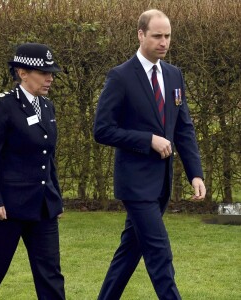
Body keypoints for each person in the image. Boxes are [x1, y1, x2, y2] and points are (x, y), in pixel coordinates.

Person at [93, 9, 206, 300]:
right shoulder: (120, 77)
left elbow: (184, 128)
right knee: (159, 252)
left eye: (167, 36)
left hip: (161, 185)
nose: (164, 42)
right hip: (134, 185)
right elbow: (102, 130)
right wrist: (148, 140)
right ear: (141, 35)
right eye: (157, 36)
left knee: (129, 253)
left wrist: (196, 173)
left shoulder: (174, 75)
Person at [0, 43, 65, 300]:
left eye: (51, 72)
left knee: (50, 273)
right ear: (22, 72)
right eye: (44, 72)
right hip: (7, 207)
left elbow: (47, 157)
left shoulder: (47, 107)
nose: (50, 77)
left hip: (42, 206)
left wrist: (56, 199)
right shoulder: (2, 105)